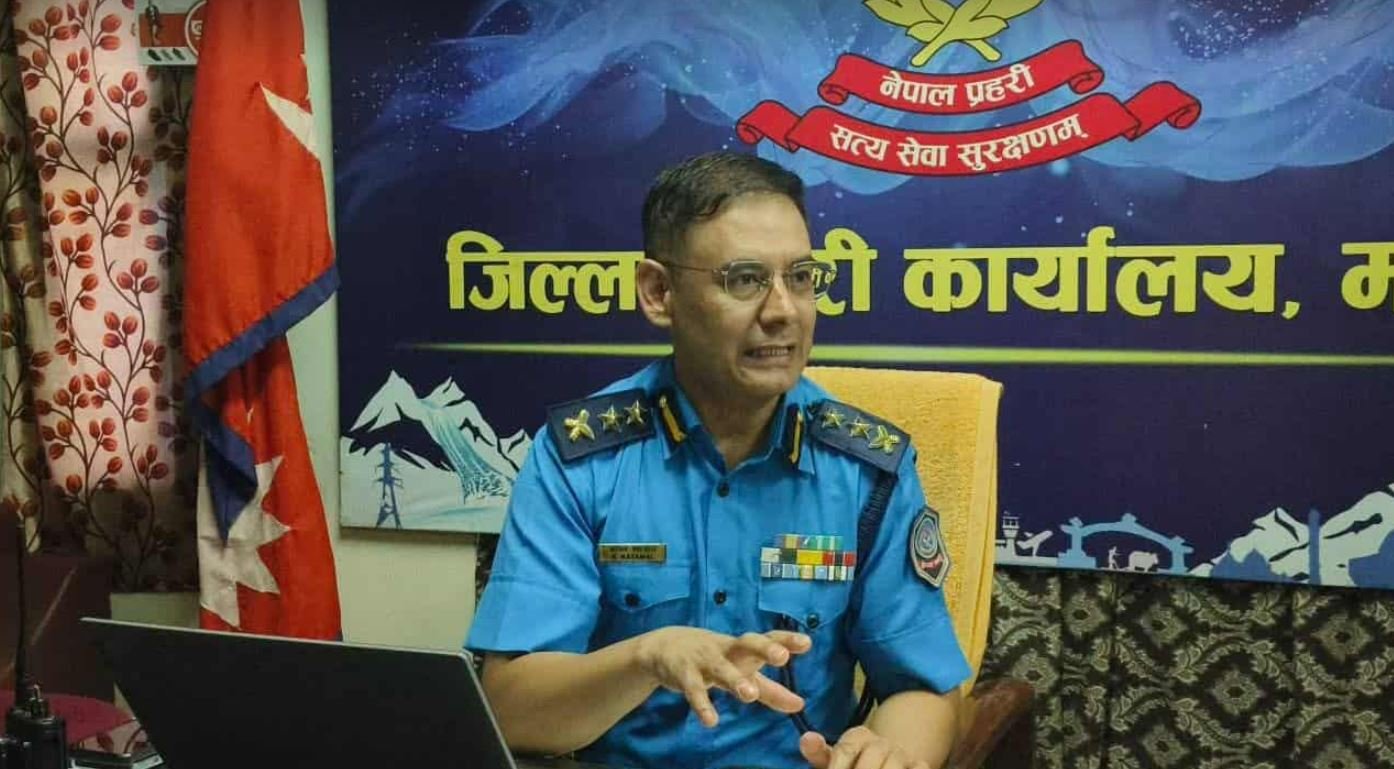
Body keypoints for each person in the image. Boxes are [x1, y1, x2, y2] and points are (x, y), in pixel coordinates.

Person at [467, 152, 970, 769]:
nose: (783, 310)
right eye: (744, 279)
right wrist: (645, 658)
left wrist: (887, 754)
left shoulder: (867, 469)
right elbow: (513, 711)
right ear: (659, 293)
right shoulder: (582, 461)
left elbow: (922, 685)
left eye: (802, 277)